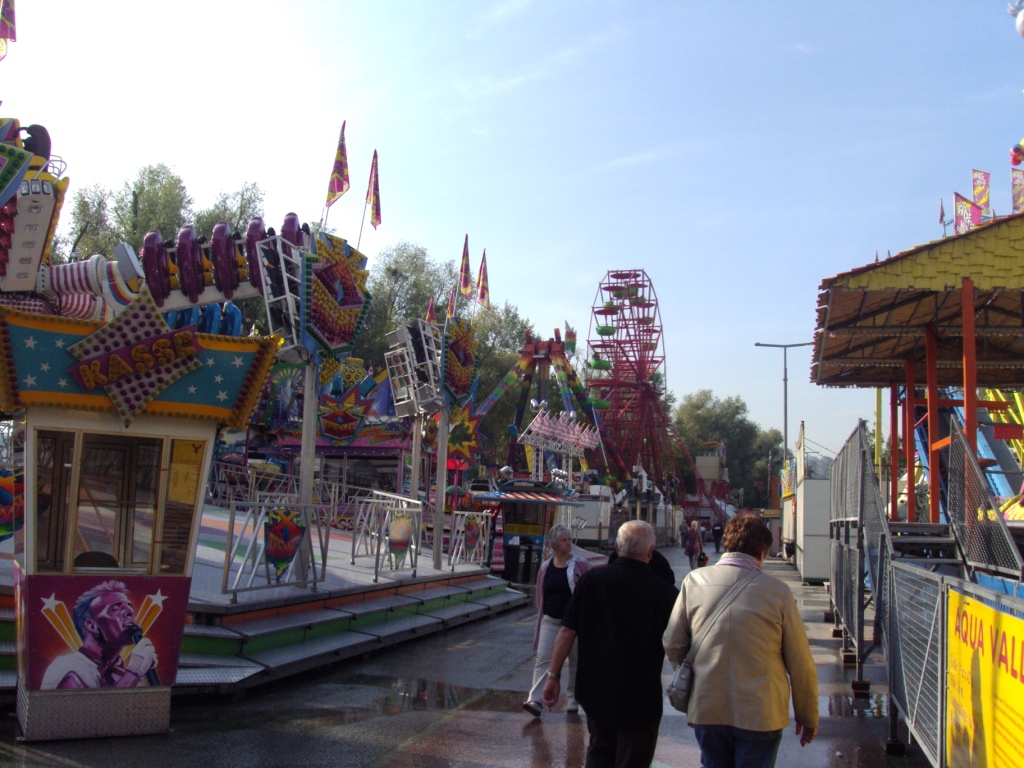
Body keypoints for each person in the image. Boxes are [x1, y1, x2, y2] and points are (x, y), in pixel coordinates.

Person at [663, 515, 818, 767]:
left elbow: (673, 642)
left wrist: (694, 682)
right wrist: (807, 714)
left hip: (708, 705)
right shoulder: (778, 592)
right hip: (761, 711)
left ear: (726, 543)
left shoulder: (694, 582)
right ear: (761, 550)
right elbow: (799, 661)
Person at [542, 520, 678, 767]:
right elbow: (679, 644)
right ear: (651, 552)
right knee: (633, 758)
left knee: (599, 751)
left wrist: (553, 675)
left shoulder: (592, 581)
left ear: (616, 546)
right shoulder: (666, 594)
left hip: (596, 691)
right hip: (640, 697)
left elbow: (566, 630)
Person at [522, 523, 591, 717]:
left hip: (574, 623)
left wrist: (580, 585)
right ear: (553, 544)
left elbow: (591, 588)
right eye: (564, 540)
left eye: (569, 539)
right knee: (543, 658)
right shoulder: (545, 567)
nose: (568, 543)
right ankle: (535, 699)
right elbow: (540, 595)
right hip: (550, 620)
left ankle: (572, 700)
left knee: (575, 661)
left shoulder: (580, 564)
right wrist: (541, 615)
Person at [41, 580, 159, 690]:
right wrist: (134, 671)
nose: (129, 612)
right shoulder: (71, 665)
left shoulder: (118, 672)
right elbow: (83, 709)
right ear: (92, 625)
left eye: (129, 606)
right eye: (116, 608)